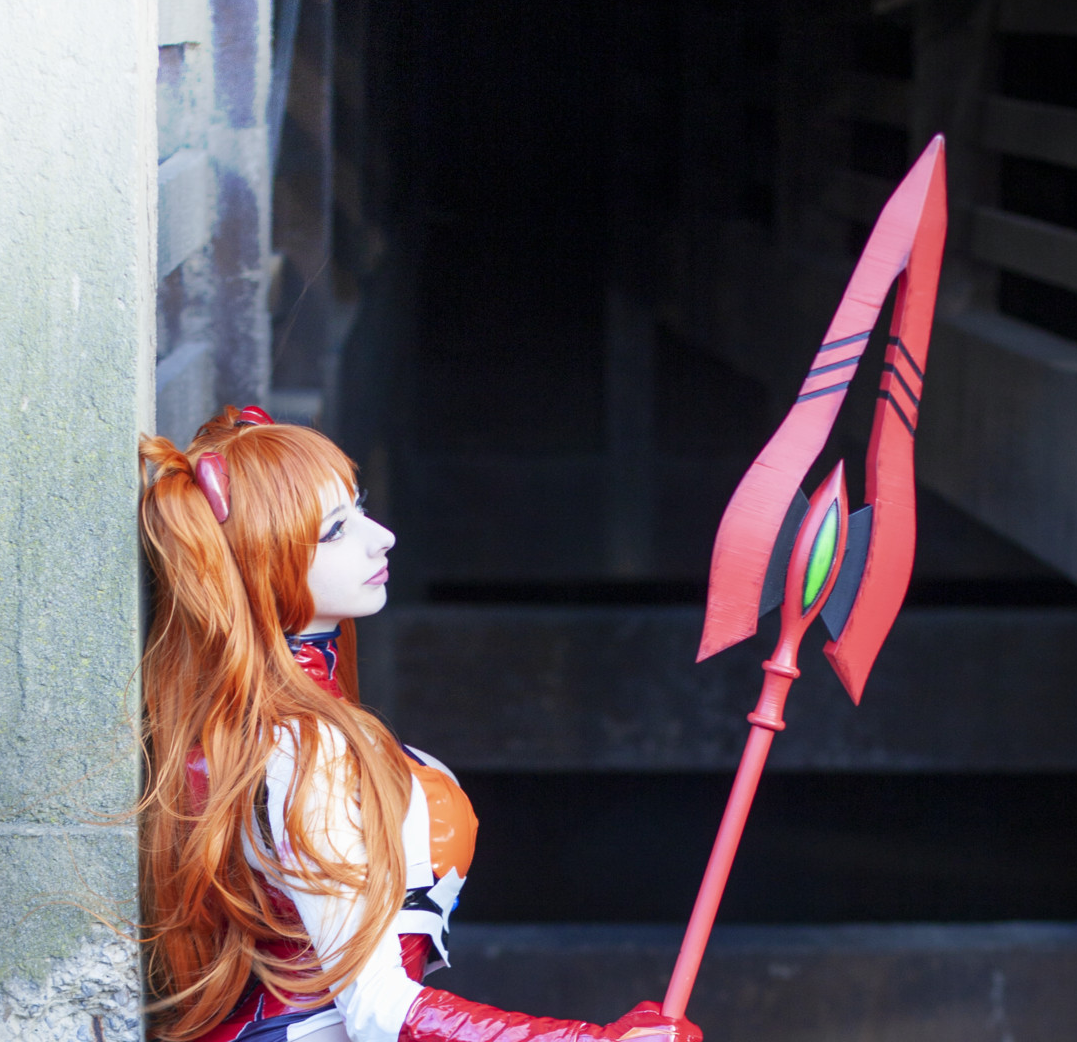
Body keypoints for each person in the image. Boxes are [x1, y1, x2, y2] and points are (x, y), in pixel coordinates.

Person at [139, 406, 704, 1042]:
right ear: (260, 560)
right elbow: (377, 1009)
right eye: (335, 530)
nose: (381, 536)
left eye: (359, 508)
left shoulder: (283, 731)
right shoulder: (304, 746)